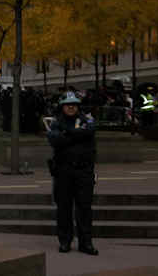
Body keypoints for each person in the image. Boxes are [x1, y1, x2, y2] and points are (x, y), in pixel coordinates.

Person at [47, 91, 99, 256]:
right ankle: (65, 241)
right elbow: (55, 140)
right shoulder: (56, 123)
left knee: (84, 208)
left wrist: (67, 133)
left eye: (74, 105)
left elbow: (89, 132)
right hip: (63, 171)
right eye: (68, 105)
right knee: (64, 208)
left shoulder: (87, 120)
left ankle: (86, 243)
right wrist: (77, 134)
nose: (71, 107)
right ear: (62, 107)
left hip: (84, 171)